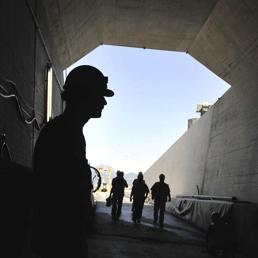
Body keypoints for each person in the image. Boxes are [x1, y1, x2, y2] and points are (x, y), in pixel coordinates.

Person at [32, 65, 114, 258]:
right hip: (59, 241)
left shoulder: (69, 132)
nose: (104, 102)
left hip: (64, 238)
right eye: (99, 95)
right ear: (85, 94)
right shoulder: (63, 134)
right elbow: (59, 195)